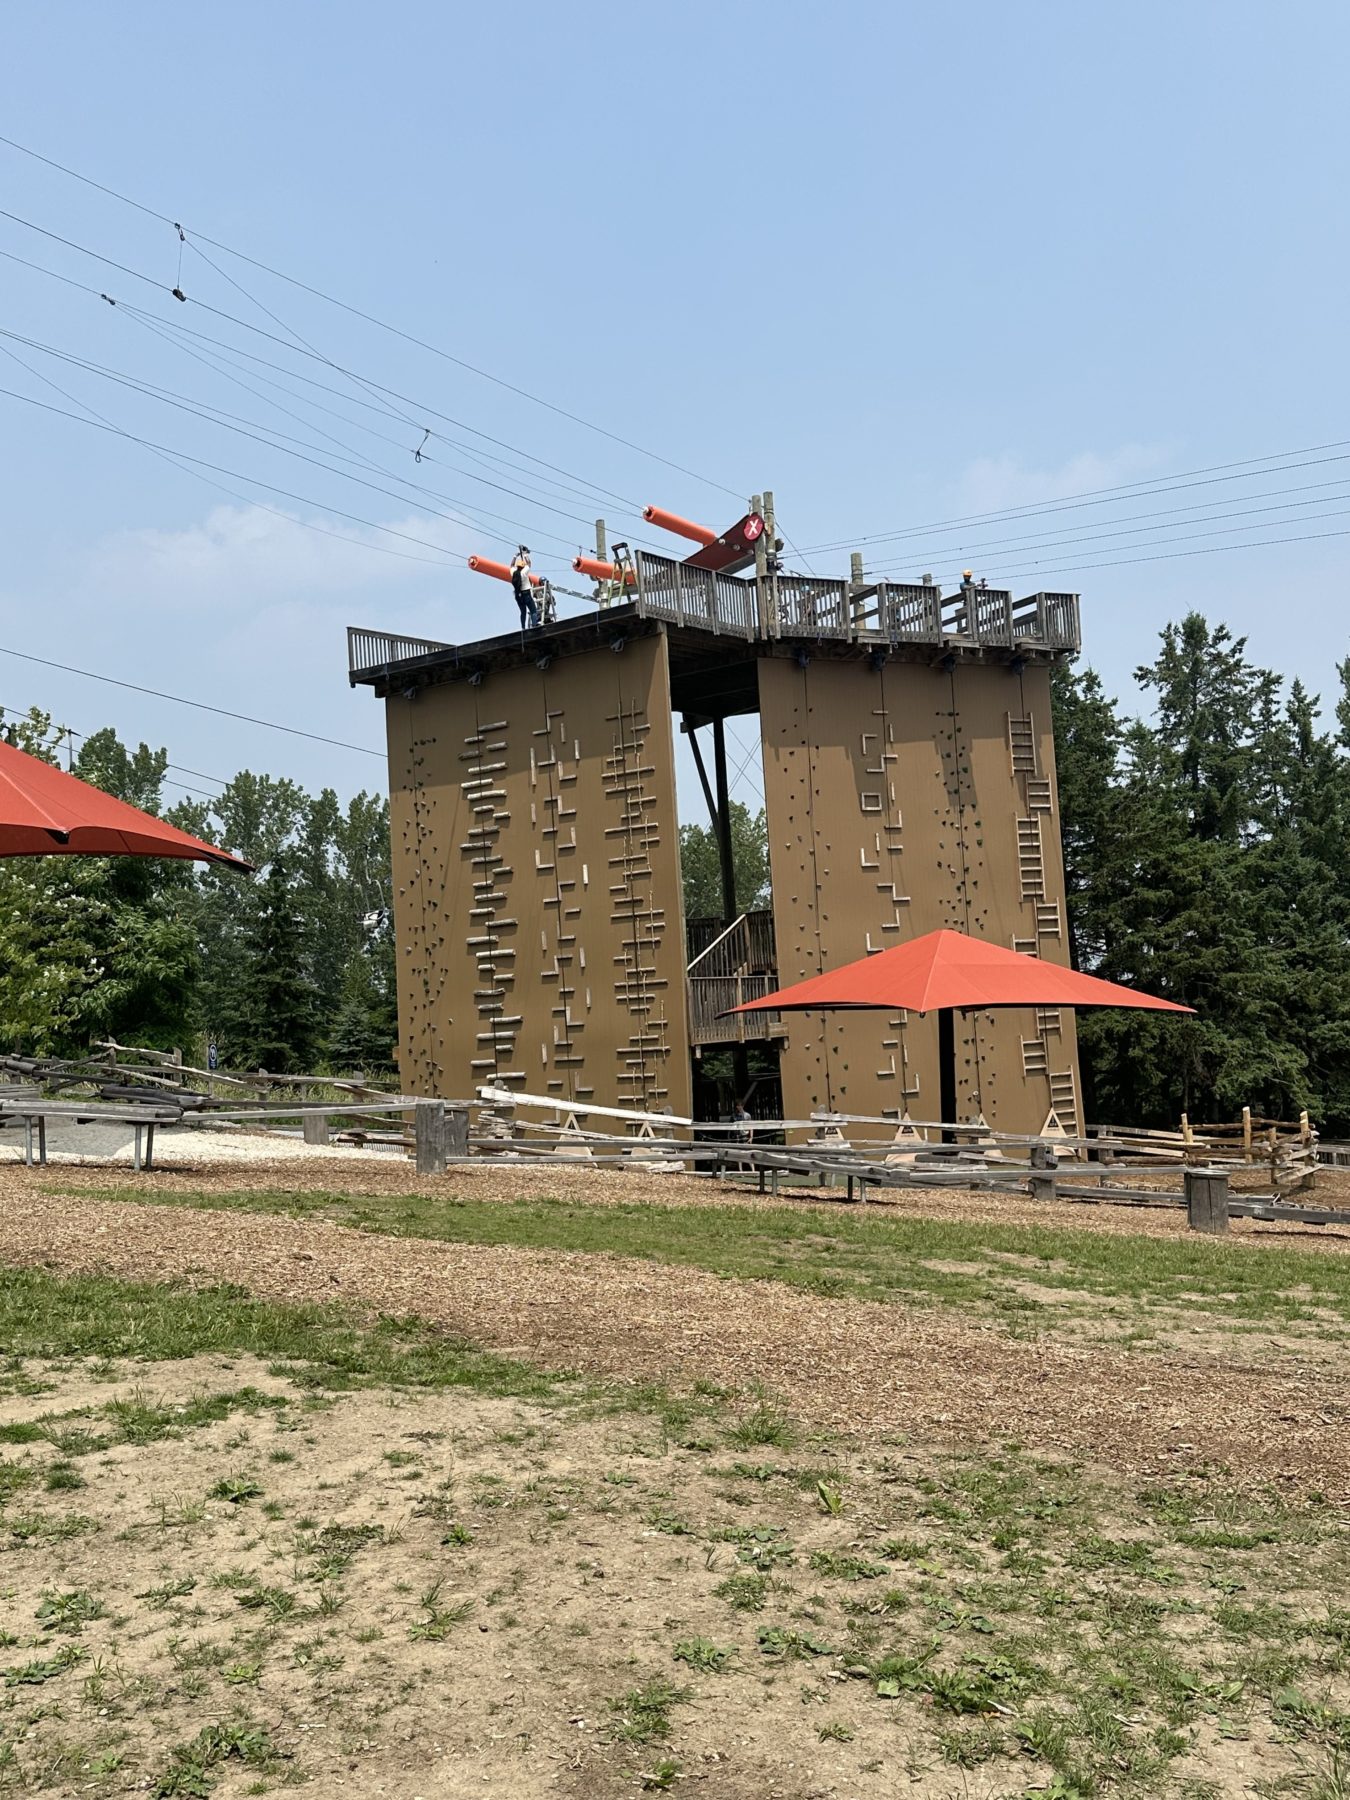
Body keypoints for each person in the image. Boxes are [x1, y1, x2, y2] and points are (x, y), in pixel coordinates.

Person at [510, 546, 539, 630]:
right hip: (526, 594)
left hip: (518, 596)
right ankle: (534, 625)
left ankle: (523, 628)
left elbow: (511, 565)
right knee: (533, 610)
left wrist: (515, 556)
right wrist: (525, 554)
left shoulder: (513, 573)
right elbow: (529, 563)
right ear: (522, 567)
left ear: (517, 566)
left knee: (523, 612)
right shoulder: (524, 573)